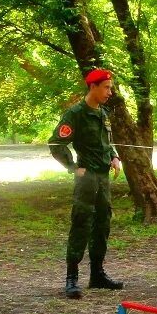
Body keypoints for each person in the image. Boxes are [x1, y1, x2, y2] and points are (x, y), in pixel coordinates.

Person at [48, 69, 124, 299]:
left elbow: (106, 142)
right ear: (93, 87)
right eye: (106, 87)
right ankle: (71, 279)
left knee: (103, 224)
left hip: (102, 178)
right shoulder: (76, 114)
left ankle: (97, 274)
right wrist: (72, 166)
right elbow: (55, 143)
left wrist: (114, 156)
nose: (110, 92)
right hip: (86, 179)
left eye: (110, 88)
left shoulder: (103, 112)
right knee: (81, 223)